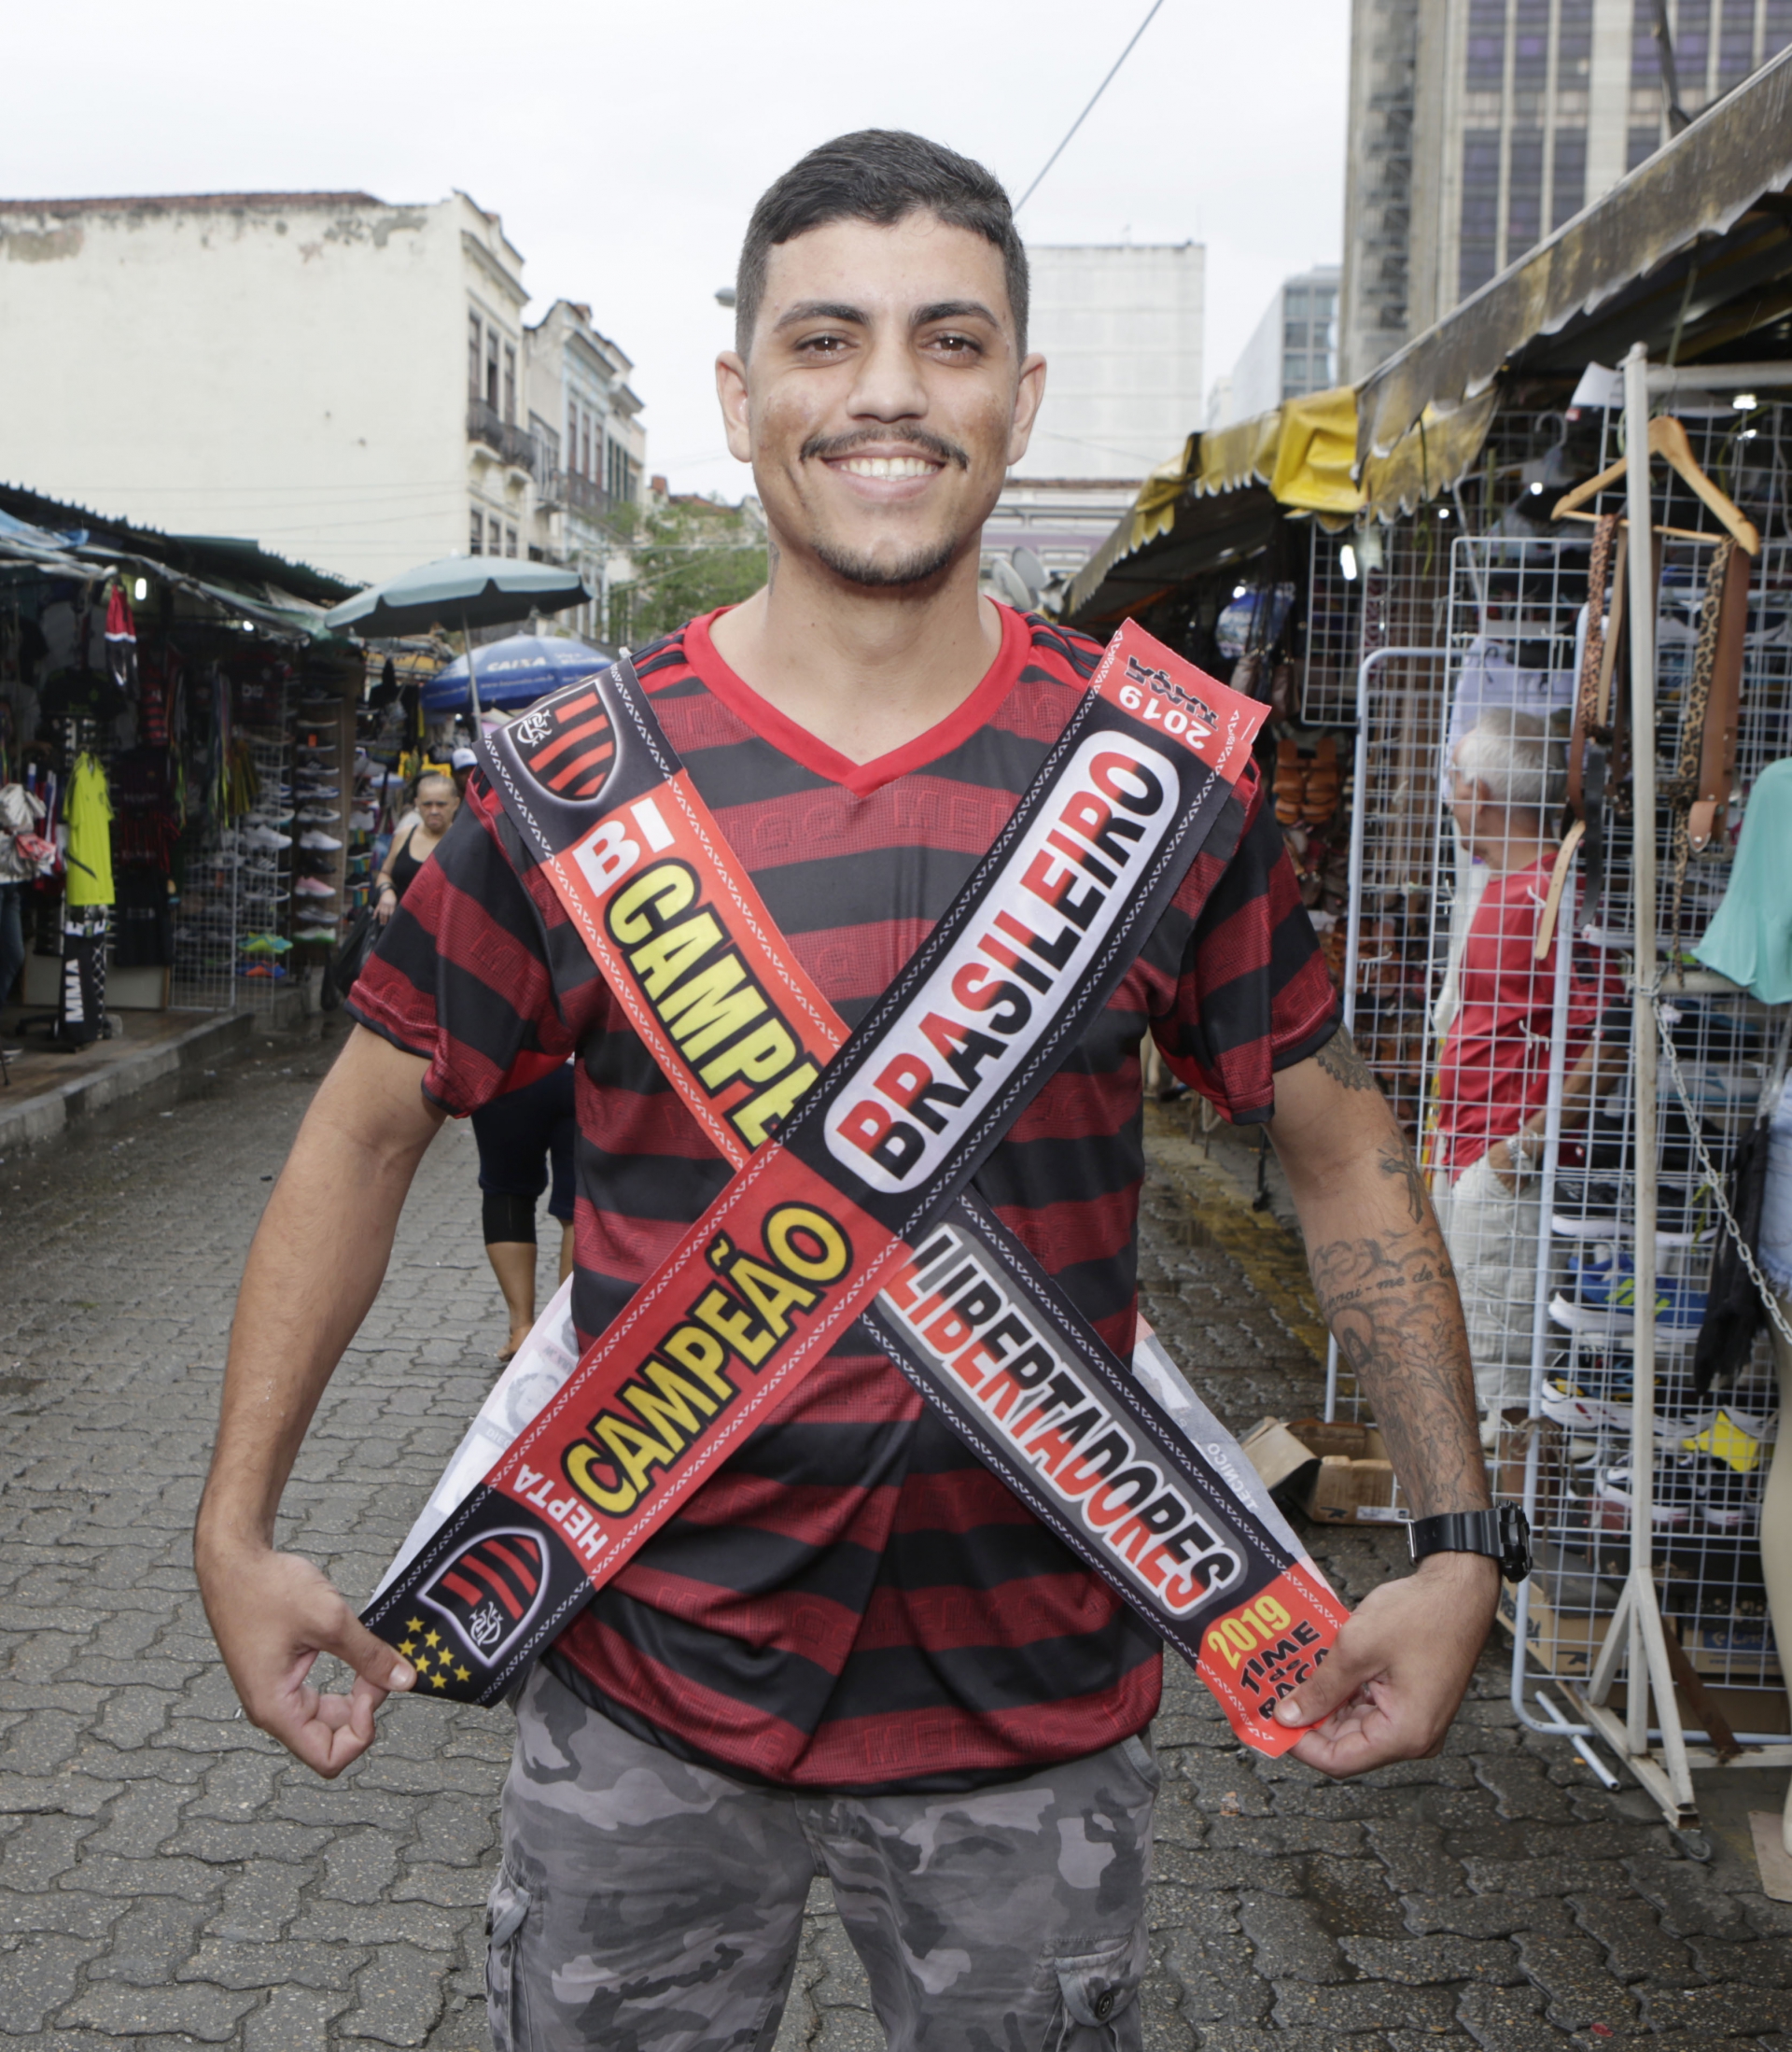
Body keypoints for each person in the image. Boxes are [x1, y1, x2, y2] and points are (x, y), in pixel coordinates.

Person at [196, 133, 1501, 2052]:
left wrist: (1461, 1541)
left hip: (1034, 1732)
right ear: (741, 399)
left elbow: (1342, 1141)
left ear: (1019, 397)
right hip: (642, 1703)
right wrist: (235, 1527)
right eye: (826, 339)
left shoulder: (1160, 786)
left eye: (947, 340)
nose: (887, 389)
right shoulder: (572, 786)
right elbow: (361, 1125)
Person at [1434, 709, 1611, 1426]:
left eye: (1454, 781)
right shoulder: (1516, 887)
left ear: (1479, 793)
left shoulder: (1549, 894)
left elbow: (1614, 1034)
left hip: (1503, 1168)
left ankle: (1514, 1504)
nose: (1449, 797)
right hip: (1475, 1159)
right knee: (1480, 1375)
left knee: (1503, 1392)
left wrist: (1522, 1150)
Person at [472, 1058, 577, 1361]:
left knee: (506, 1192)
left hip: (509, 1066)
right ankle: (568, 1335)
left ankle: (521, 1329)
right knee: (581, 1204)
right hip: (584, 1067)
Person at [372, 769, 456, 924]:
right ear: (417, 804)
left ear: (455, 804)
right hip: (399, 927)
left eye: (441, 804)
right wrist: (386, 891)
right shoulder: (404, 835)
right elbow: (385, 873)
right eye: (427, 804)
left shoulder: (465, 843)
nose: (434, 811)